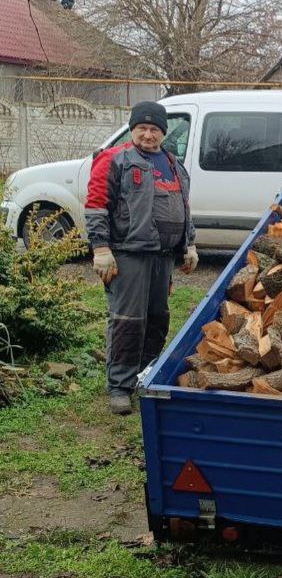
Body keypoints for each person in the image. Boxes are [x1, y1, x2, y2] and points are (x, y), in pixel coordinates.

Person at [85, 101, 198, 415]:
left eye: (155, 129)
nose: (148, 135)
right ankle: (120, 387)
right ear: (132, 129)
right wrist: (101, 249)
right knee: (128, 323)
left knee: (157, 322)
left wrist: (189, 245)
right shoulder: (114, 160)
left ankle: (144, 377)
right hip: (128, 256)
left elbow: (185, 208)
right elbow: (95, 206)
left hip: (162, 259)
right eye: (142, 128)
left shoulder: (173, 164)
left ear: (163, 132)